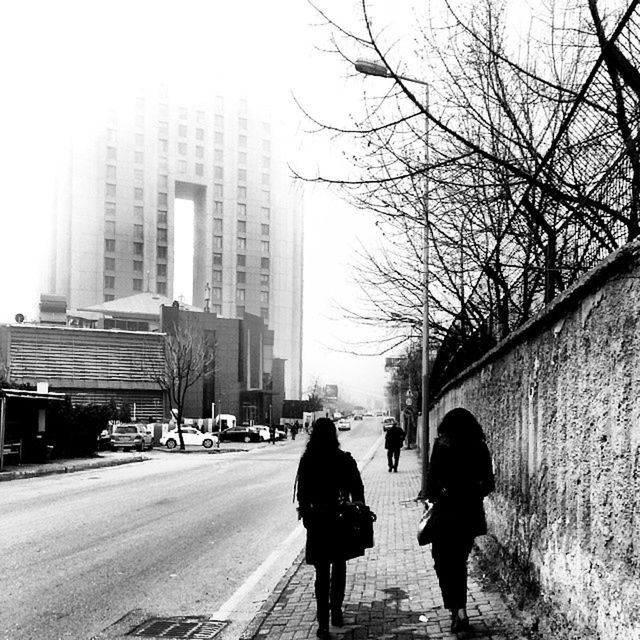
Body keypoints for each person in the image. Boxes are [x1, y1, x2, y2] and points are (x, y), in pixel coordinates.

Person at [425, 407, 495, 633]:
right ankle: (460, 610)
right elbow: (488, 484)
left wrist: (443, 494)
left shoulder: (441, 445)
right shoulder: (480, 447)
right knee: (458, 563)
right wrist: (471, 493)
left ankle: (456, 610)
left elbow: (431, 483)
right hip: (468, 516)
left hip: (446, 515)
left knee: (443, 563)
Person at [296, 418, 365, 639]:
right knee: (339, 565)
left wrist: (307, 516)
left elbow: (302, 494)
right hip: (340, 518)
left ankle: (323, 623)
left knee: (322, 572)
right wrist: (357, 509)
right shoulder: (343, 459)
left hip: (318, 521)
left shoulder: (308, 460)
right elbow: (358, 489)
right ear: (334, 434)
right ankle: (336, 610)